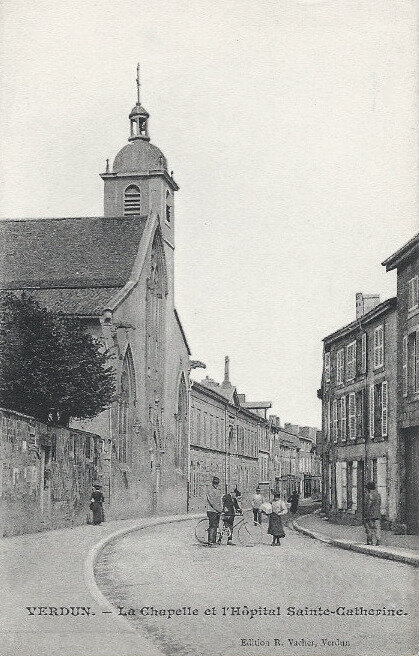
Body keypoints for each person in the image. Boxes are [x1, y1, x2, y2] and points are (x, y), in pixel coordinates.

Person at [205, 476, 223, 546]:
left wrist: (221, 509)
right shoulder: (210, 490)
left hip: (217, 511)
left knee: (216, 526)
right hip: (211, 510)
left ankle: (214, 541)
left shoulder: (218, 491)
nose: (216, 485)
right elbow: (212, 502)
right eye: (215, 483)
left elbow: (219, 501)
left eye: (217, 483)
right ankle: (210, 542)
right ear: (213, 483)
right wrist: (219, 509)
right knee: (212, 526)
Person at [364, 481, 381, 546]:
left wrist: (366, 513)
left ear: (368, 488)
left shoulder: (369, 495)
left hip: (370, 514)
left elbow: (368, 505)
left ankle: (370, 541)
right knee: (377, 527)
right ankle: (378, 540)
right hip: (377, 513)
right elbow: (379, 504)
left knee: (369, 528)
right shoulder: (378, 495)